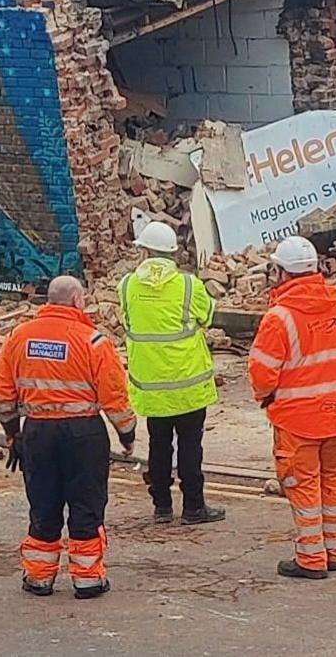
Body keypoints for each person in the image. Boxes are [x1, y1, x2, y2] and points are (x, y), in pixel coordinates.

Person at [0, 275, 138, 599]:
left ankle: (39, 577)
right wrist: (127, 436)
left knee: (43, 504)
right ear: (76, 301)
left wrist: (13, 435)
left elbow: (2, 395)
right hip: (83, 433)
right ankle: (87, 580)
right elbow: (115, 397)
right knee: (86, 504)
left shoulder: (20, 337)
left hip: (37, 432)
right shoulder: (93, 342)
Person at [247, 235, 336, 580]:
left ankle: (312, 559)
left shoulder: (279, 318)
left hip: (297, 419)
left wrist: (268, 398)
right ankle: (334, 551)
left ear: (282, 273)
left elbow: (262, 372)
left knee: (303, 486)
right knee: (333, 485)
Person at [121, 221, 226, 526]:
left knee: (158, 443)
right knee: (191, 446)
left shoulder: (127, 285)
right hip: (189, 384)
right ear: (172, 253)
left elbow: (128, 322)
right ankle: (194, 506)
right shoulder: (189, 285)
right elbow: (207, 317)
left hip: (152, 386)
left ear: (144, 251)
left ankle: (162, 506)